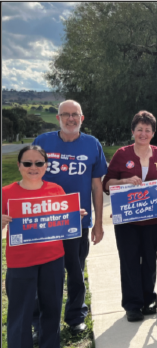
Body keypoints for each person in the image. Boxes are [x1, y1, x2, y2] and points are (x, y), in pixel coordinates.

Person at [2, 146, 87, 348]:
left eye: (39, 163)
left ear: (46, 166)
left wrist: (73, 215)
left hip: (52, 258)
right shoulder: (7, 193)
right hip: (21, 262)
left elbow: (63, 219)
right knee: (20, 312)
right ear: (19, 166)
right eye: (27, 163)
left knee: (52, 306)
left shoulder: (56, 189)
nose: (33, 168)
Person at [32, 100, 108, 335]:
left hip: (78, 222)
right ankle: (40, 323)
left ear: (82, 118)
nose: (70, 119)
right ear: (58, 118)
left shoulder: (92, 144)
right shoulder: (42, 142)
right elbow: (30, 178)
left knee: (75, 271)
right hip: (44, 222)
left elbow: (97, 187)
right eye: (65, 114)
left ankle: (75, 316)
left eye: (75, 114)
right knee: (42, 274)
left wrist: (98, 223)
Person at [102, 111, 157, 322]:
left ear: (153, 132)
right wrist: (124, 182)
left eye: (148, 130)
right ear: (133, 131)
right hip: (127, 220)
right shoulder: (122, 154)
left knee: (150, 260)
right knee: (130, 261)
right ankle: (132, 305)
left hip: (152, 220)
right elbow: (106, 184)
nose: (143, 133)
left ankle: (148, 299)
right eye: (139, 129)